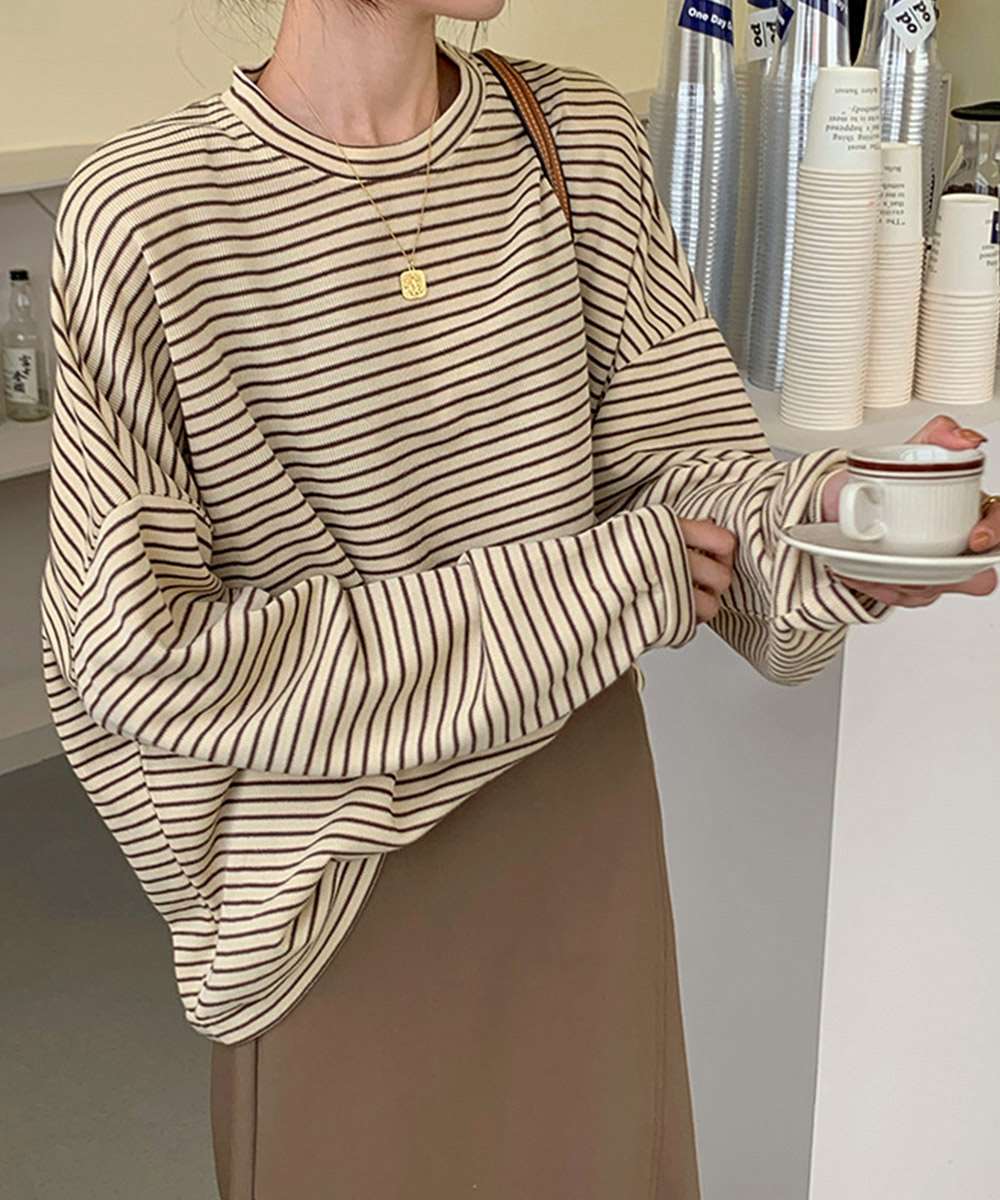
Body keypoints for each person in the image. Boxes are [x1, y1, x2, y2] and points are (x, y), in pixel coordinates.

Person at [39, 1, 999, 1196]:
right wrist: (586, 591)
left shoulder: (573, 139)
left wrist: (839, 524)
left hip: (580, 822)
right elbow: (139, 652)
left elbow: (685, 474)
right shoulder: (147, 211)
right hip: (332, 879)